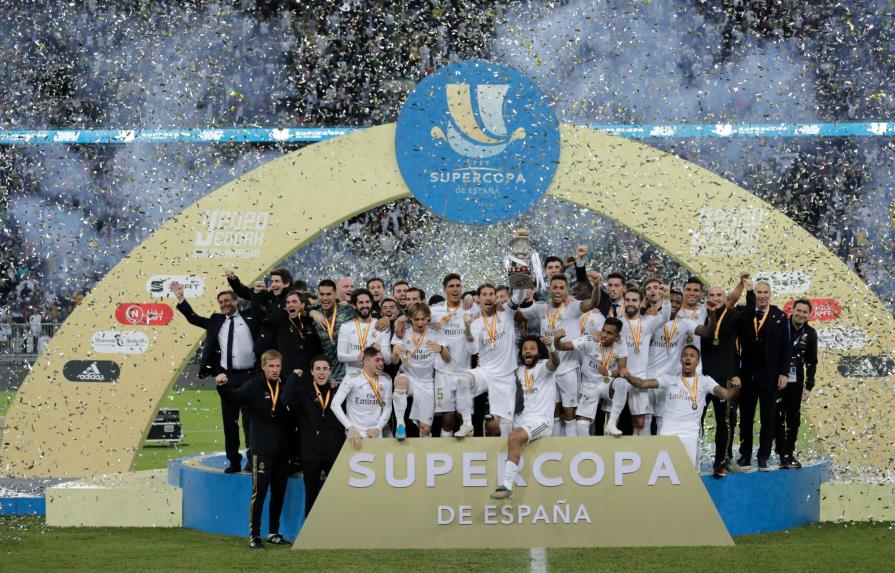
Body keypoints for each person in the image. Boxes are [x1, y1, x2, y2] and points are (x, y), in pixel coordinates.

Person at [172, 281, 257, 473]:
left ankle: (252, 459)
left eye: (227, 300)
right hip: (227, 379)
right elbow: (193, 318)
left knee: (250, 421)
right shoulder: (216, 320)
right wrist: (180, 298)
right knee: (230, 422)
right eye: (221, 301)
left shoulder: (251, 318)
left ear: (236, 301)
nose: (224, 304)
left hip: (250, 377)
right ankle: (234, 461)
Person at [216, 350, 292, 548]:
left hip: (283, 449)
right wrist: (222, 387)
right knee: (259, 494)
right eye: (272, 366)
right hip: (262, 449)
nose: (275, 370)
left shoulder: (286, 385)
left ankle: (274, 532)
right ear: (263, 366)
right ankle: (254, 535)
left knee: (279, 492)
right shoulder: (253, 386)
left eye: (278, 366)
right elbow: (233, 398)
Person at [620, 345, 741, 467]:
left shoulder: (705, 381)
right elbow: (642, 384)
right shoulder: (668, 379)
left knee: (688, 475)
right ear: (681, 360)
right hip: (668, 433)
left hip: (690, 435)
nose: (688, 358)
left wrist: (736, 387)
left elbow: (727, 395)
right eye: (685, 355)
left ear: (697, 361)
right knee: (664, 472)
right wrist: (627, 376)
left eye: (692, 356)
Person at [515, 272, 602, 436]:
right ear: (549, 288)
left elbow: (593, 302)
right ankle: (552, 448)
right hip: (549, 369)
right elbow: (518, 314)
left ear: (566, 290)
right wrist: (514, 304)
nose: (557, 291)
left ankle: (571, 451)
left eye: (561, 288)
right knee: (552, 411)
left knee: (570, 413)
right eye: (554, 287)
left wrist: (596, 286)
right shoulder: (541, 308)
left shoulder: (573, 307)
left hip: (569, 367)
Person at [490, 335, 560, 500]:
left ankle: (506, 485)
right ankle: (508, 460)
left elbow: (555, 362)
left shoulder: (544, 366)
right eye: (525, 349)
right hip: (520, 419)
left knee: (514, 438)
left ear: (539, 352)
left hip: (540, 421)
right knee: (491, 426)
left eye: (532, 348)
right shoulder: (517, 371)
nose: (528, 351)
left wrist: (552, 347)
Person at [695, 273, 751, 477]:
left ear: (724, 298)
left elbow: (735, 298)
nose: (716, 298)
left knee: (723, 422)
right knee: (695, 421)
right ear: (706, 297)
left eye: (720, 295)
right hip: (700, 377)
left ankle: (721, 462)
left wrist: (742, 283)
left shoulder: (731, 314)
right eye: (712, 295)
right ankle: (694, 462)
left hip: (723, 378)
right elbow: (707, 332)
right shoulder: (701, 312)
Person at [735, 280, 791, 472]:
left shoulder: (780, 316)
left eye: (765, 292)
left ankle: (763, 456)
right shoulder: (743, 313)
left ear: (771, 294)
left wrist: (784, 373)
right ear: (754, 294)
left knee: (769, 418)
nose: (762, 295)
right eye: (759, 292)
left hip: (770, 376)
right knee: (746, 418)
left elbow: (786, 347)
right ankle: (745, 455)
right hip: (747, 375)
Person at [606, 287, 671, 436]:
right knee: (612, 418)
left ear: (641, 302)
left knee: (640, 422)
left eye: (634, 300)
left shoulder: (648, 323)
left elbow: (665, 317)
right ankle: (609, 452)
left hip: (640, 376)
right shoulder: (617, 323)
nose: (630, 303)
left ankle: (638, 451)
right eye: (627, 300)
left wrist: (666, 299)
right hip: (618, 375)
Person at [456, 283, 517, 438]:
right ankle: (467, 424)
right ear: (478, 299)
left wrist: (518, 279)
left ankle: (506, 457)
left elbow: (520, 297)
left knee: (506, 424)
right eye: (484, 294)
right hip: (485, 372)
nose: (488, 297)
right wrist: (468, 329)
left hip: (505, 375)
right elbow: (472, 350)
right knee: (463, 381)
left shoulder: (507, 314)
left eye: (491, 294)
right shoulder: (475, 322)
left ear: (496, 298)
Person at [287, 355, 345, 518]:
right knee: (311, 494)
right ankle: (309, 536)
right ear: (311, 372)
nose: (322, 372)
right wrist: (292, 379)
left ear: (330, 372)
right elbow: (285, 400)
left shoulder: (337, 390)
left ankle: (336, 531)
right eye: (318, 369)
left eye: (325, 369)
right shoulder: (302, 390)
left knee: (336, 493)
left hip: (333, 451)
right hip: (310, 452)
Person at [554, 317, 627, 437]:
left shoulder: (621, 343)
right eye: (603, 330)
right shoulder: (589, 340)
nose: (604, 335)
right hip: (589, 385)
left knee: (622, 383)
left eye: (609, 333)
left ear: (617, 337)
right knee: (581, 427)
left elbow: (622, 370)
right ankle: (588, 452)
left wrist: (608, 373)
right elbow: (561, 347)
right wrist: (557, 339)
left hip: (606, 383)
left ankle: (612, 423)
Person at [391, 302, 450, 438]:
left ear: (428, 318)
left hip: (427, 382)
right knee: (401, 382)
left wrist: (440, 349)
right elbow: (394, 361)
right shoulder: (403, 331)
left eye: (423, 319)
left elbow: (447, 359)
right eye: (416, 319)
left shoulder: (436, 332)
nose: (420, 322)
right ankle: (401, 424)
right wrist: (395, 351)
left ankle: (425, 455)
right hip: (408, 377)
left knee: (425, 429)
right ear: (410, 319)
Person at [429, 274, 476, 438]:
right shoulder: (435, 311)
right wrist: (400, 319)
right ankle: (444, 454)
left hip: (464, 370)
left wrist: (471, 295)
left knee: (465, 420)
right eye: (451, 286)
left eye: (458, 286)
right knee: (447, 419)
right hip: (443, 371)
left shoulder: (470, 307)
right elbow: (415, 317)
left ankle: (467, 457)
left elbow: (490, 305)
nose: (455, 289)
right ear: (444, 289)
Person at [776, 298, 818, 469]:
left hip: (796, 381)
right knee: (777, 417)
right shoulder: (781, 326)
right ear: (792, 310)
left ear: (809, 315)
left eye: (805, 312)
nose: (801, 314)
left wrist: (809, 386)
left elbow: (812, 362)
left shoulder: (811, 333)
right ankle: (780, 453)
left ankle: (789, 453)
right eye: (798, 310)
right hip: (778, 379)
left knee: (793, 419)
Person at [331, 347, 394, 448]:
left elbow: (387, 408)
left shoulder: (386, 380)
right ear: (366, 362)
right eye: (377, 360)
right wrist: (349, 428)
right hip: (355, 434)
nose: (381, 363)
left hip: (376, 434)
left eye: (382, 360)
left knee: (377, 463)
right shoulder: (351, 378)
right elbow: (335, 404)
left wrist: (378, 428)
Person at [336, 288, 392, 377]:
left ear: (371, 303)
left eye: (367, 302)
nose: (365, 305)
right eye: (361, 302)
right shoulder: (346, 327)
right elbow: (340, 356)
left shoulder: (382, 325)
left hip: (375, 379)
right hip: (353, 379)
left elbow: (388, 360)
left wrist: (381, 350)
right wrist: (357, 357)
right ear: (354, 305)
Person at [308, 279, 354, 383]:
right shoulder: (313, 316)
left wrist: (386, 319)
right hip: (322, 377)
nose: (325, 298)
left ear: (336, 294)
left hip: (345, 376)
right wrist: (311, 312)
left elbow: (368, 313)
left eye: (329, 294)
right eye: (322, 294)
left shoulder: (349, 311)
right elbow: (298, 308)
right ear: (317, 295)